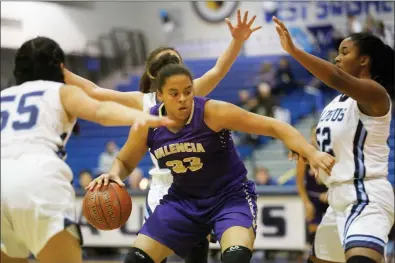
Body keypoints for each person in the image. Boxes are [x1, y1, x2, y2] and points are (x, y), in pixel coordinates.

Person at [64, 9, 262, 263]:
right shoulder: (143, 100)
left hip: (197, 183)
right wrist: (64, 74)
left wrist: (236, 41)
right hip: (164, 187)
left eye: (177, 60)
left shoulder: (188, 92)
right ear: (155, 75)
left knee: (197, 253)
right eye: (169, 61)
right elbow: (95, 91)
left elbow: (218, 70)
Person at [87, 63, 335, 263]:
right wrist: (114, 174)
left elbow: (273, 125)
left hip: (229, 197)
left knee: (236, 257)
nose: (183, 98)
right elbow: (123, 160)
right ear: (159, 96)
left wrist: (310, 152)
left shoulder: (212, 112)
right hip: (183, 201)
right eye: (175, 94)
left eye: (188, 91)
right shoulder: (147, 124)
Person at [0, 36, 173, 263]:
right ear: (60, 67)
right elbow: (100, 111)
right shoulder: (60, 91)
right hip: (37, 180)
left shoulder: (3, 96)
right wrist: (145, 117)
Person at [273, 16, 394, 263]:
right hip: (337, 198)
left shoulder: (375, 93)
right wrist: (307, 154)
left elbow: (335, 77)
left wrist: (294, 51)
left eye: (344, 52)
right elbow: (329, 148)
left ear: (364, 60)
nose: (337, 58)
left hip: (365, 195)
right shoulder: (334, 104)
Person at [296, 125, 328, 248]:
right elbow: (299, 183)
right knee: (314, 237)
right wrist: (306, 203)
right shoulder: (303, 155)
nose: (317, 138)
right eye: (315, 135)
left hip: (330, 197)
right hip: (313, 198)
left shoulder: (331, 152)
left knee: (335, 233)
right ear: (311, 137)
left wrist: (331, 193)